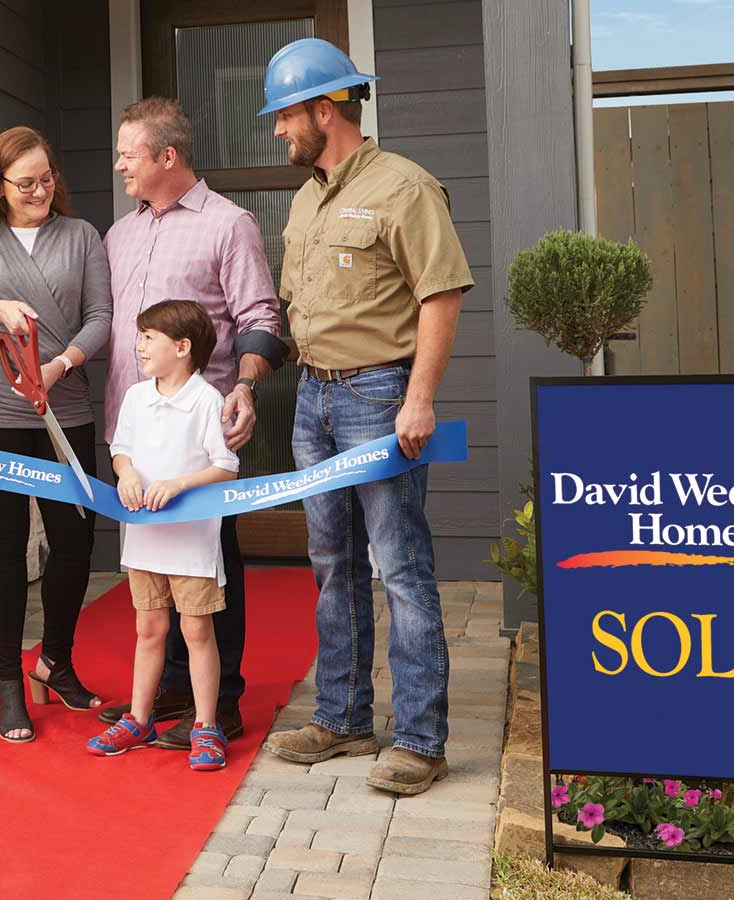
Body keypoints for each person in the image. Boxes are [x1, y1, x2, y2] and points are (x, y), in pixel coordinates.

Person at [253, 38, 471, 796]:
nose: (279, 132)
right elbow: (296, 310)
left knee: (400, 567)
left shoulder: (405, 187)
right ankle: (343, 718)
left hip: (380, 397)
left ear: (325, 109)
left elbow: (442, 292)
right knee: (331, 564)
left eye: (286, 118)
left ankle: (420, 739)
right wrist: (250, 372)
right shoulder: (307, 197)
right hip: (312, 396)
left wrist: (419, 396)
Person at [96, 97, 287, 751]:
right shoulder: (118, 235)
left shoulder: (228, 225)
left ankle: (221, 703)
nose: (119, 163)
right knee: (152, 564)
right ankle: (171, 688)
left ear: (166, 156)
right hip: (135, 432)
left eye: (128, 153)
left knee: (209, 566)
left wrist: (247, 386)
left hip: (198, 434)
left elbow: (260, 312)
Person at [0, 126, 114, 743]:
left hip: (65, 411)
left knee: (74, 544)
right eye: (25, 183)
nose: (40, 190)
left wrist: (63, 364)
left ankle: (55, 660)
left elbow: (101, 318)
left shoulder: (82, 236)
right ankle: (9, 683)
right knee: (5, 548)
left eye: (47, 178)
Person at [88, 300, 240, 767]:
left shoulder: (207, 400)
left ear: (182, 347)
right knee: (148, 628)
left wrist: (179, 484)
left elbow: (227, 466)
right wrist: (126, 473)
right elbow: (121, 449)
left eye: (149, 337)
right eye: (140, 336)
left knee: (196, 630)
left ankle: (207, 724)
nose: (139, 345)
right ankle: (138, 717)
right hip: (145, 538)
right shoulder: (135, 397)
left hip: (192, 543)